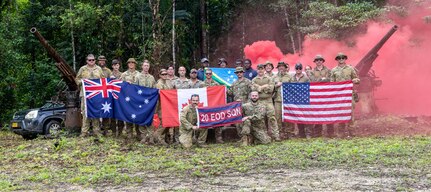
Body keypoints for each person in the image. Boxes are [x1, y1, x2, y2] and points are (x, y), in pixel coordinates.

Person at [330, 52, 360, 137]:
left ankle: (352, 131)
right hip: (339, 95)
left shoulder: (350, 69)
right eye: (339, 58)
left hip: (349, 95)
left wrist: (355, 80)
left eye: (343, 58)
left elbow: (357, 78)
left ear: (345, 59)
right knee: (340, 113)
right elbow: (331, 83)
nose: (341, 59)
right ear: (337, 60)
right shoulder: (334, 70)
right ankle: (341, 132)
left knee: (350, 113)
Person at [75, 54, 106, 137]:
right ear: (86, 61)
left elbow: (103, 80)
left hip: (96, 95)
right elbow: (77, 79)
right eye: (89, 60)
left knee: (96, 112)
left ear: (95, 60)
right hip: (85, 95)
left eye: (93, 60)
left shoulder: (99, 69)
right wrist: (82, 81)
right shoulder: (82, 69)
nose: (91, 61)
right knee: (85, 112)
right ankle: (84, 132)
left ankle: (97, 131)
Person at [251, 64, 280, 141]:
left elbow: (271, 89)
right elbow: (253, 89)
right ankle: (264, 136)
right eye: (259, 69)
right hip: (259, 101)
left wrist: (260, 88)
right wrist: (264, 87)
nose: (260, 70)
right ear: (257, 70)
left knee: (272, 118)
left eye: (262, 69)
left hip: (268, 101)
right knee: (261, 119)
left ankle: (275, 135)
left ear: (264, 70)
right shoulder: (254, 80)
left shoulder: (269, 79)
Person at [135, 60, 157, 144]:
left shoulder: (151, 77)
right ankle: (143, 137)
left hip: (149, 101)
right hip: (140, 101)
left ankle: (150, 137)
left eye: (148, 66)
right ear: (142, 66)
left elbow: (154, 88)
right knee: (141, 117)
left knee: (149, 117)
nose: (146, 67)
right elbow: (134, 88)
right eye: (145, 65)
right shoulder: (137, 76)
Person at [311, 54, 333, 138]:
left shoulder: (328, 70)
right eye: (317, 60)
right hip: (317, 95)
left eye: (320, 60)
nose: (319, 61)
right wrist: (322, 79)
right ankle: (317, 133)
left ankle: (330, 132)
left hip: (327, 95)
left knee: (329, 113)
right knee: (317, 113)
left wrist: (324, 80)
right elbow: (312, 80)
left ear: (322, 61)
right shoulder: (312, 71)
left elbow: (331, 79)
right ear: (315, 62)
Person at [120, 58, 141, 142]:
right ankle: (129, 133)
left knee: (137, 115)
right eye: (130, 63)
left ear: (135, 64)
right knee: (128, 115)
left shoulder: (139, 74)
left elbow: (141, 86)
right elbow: (120, 85)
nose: (131, 64)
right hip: (127, 98)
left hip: (136, 98)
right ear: (128, 64)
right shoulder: (124, 74)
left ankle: (138, 133)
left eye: (133, 63)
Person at [227, 67, 252, 138]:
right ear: (236, 74)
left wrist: (249, 103)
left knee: (246, 121)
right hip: (236, 106)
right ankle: (241, 137)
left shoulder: (248, 82)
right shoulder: (234, 83)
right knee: (237, 122)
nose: (239, 74)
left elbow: (251, 92)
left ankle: (248, 137)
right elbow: (230, 93)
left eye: (240, 72)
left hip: (245, 104)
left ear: (243, 73)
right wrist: (223, 89)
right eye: (237, 72)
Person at [273, 61, 293, 139]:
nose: (281, 68)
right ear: (278, 68)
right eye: (279, 66)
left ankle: (289, 132)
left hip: (287, 100)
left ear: (285, 68)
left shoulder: (289, 77)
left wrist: (283, 84)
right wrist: (276, 85)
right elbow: (271, 87)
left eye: (283, 66)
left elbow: (293, 87)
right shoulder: (274, 77)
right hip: (277, 99)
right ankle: (280, 132)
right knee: (278, 117)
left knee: (288, 116)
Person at [203, 68, 223, 143]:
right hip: (205, 106)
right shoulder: (202, 84)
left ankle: (218, 138)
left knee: (217, 121)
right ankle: (203, 139)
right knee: (204, 121)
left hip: (214, 104)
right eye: (207, 73)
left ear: (212, 74)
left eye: (210, 73)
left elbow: (220, 92)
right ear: (205, 74)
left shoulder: (216, 84)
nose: (208, 75)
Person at [172, 66, 191, 144]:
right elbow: (171, 92)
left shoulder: (189, 82)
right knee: (177, 121)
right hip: (177, 103)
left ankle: (186, 138)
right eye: (180, 70)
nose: (182, 72)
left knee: (186, 120)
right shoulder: (174, 82)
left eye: (183, 70)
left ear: (185, 71)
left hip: (186, 104)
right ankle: (176, 139)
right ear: (178, 72)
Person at [291, 63, 311, 138]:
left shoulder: (305, 78)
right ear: (295, 69)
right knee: (298, 116)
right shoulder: (292, 78)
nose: (298, 70)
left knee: (306, 116)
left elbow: (309, 87)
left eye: (300, 68)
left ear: (301, 69)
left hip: (304, 100)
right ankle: (301, 133)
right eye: (297, 68)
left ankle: (308, 133)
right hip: (296, 100)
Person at [154, 69, 174, 145]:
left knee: (168, 122)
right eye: (163, 74)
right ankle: (157, 137)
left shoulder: (168, 83)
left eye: (166, 74)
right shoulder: (159, 84)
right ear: (160, 75)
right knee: (164, 122)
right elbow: (160, 95)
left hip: (168, 106)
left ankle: (165, 138)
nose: (165, 75)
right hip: (161, 106)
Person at [97, 55, 113, 136]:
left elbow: (111, 81)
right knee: (97, 111)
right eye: (100, 60)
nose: (102, 62)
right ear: (98, 61)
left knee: (106, 111)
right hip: (97, 94)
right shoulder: (96, 69)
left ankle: (105, 129)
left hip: (106, 94)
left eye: (103, 60)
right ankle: (97, 130)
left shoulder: (108, 71)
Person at [109, 59, 124, 137]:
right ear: (112, 66)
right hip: (111, 97)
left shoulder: (122, 75)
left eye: (117, 65)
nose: (116, 67)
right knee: (113, 115)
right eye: (114, 65)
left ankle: (120, 132)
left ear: (119, 66)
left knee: (120, 114)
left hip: (120, 97)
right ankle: (114, 132)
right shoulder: (109, 75)